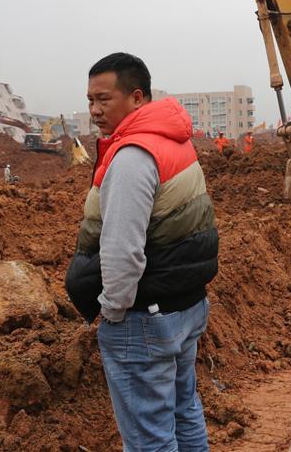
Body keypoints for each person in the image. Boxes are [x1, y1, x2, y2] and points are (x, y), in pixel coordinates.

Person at [65, 52, 217, 452]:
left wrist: (113, 312)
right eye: (90, 100)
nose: (95, 110)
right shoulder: (173, 141)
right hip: (184, 305)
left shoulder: (132, 157)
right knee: (184, 411)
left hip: (144, 317)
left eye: (104, 99)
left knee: (149, 438)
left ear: (136, 97)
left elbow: (121, 251)